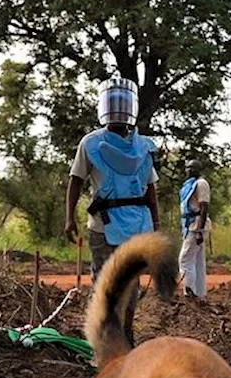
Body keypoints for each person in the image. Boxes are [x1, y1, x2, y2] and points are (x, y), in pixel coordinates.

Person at [64, 76, 160, 344]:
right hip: (122, 226)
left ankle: (117, 335)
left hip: (111, 226)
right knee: (123, 282)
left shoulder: (98, 143)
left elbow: (75, 181)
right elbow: (151, 191)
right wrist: (156, 224)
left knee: (110, 282)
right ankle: (119, 334)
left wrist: (69, 218)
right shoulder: (141, 146)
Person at [179, 158, 212, 298]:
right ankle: (199, 293)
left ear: (199, 170)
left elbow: (204, 207)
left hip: (196, 225)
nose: (189, 170)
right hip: (190, 224)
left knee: (185, 259)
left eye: (193, 168)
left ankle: (189, 291)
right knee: (197, 260)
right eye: (188, 167)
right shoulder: (189, 185)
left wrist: (199, 230)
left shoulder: (201, 183)